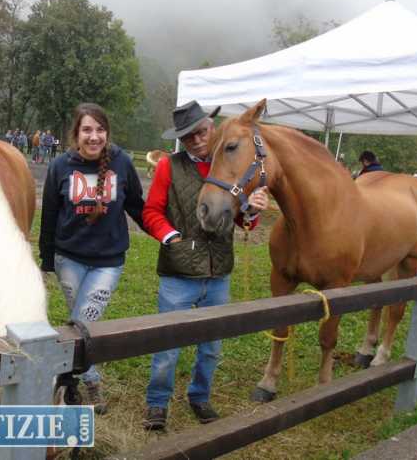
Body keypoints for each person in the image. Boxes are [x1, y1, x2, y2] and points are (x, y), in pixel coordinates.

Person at [142, 100, 269, 431]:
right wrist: (171, 237)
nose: (197, 140)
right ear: (181, 139)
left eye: (201, 132)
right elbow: (151, 211)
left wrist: (253, 210)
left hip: (218, 272)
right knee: (167, 345)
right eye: (188, 136)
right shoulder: (169, 167)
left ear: (212, 128)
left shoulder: (231, 162)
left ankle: (199, 396)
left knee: (211, 347)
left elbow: (242, 220)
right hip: (179, 273)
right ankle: (157, 403)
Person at [39, 103, 145, 414]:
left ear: (107, 133)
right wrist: (46, 260)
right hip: (68, 259)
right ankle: (86, 379)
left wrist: (167, 231)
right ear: (76, 133)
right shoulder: (59, 166)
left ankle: (71, 378)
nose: (94, 136)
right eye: (87, 129)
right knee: (81, 324)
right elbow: (49, 215)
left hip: (108, 262)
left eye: (100, 130)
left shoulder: (122, 163)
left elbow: (138, 206)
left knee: (84, 321)